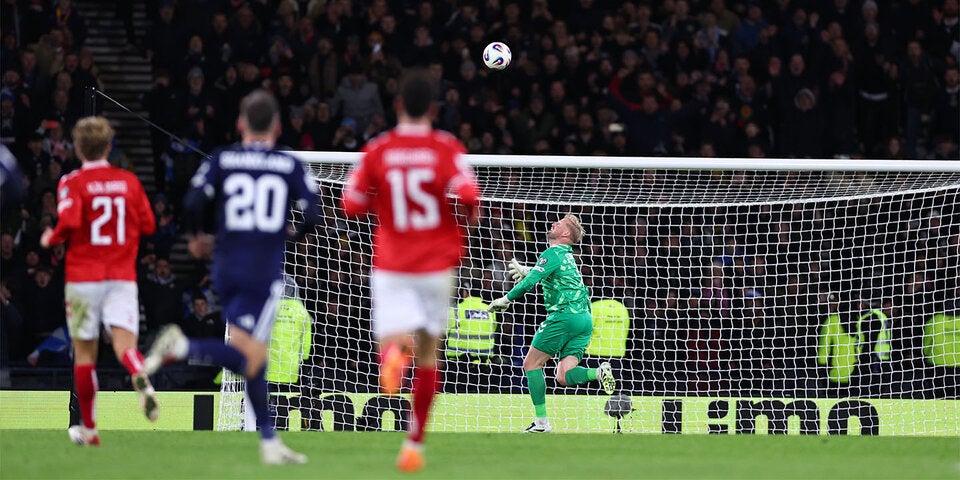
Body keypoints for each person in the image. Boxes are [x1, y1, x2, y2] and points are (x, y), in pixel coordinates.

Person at [144, 90, 320, 465]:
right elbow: (313, 215)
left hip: (225, 267)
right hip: (262, 269)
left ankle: (269, 441)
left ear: (241, 124)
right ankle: (182, 349)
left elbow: (192, 201)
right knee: (250, 354)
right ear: (276, 126)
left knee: (253, 355)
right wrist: (289, 235)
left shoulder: (223, 158)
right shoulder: (287, 163)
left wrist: (194, 239)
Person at [340, 69, 480, 473]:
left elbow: (350, 204)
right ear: (434, 108)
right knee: (430, 354)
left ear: (397, 104)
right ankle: (414, 444)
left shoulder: (378, 149)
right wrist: (468, 215)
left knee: (391, 340)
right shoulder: (446, 147)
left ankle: (391, 356)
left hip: (391, 263)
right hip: (436, 264)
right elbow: (470, 195)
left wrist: (382, 206)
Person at [38, 116, 159, 446]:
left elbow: (70, 220)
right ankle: (138, 372)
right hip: (121, 276)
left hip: (83, 278)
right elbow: (149, 224)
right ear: (109, 146)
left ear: (77, 148)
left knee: (85, 354)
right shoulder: (129, 181)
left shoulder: (71, 182)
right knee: (125, 346)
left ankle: (89, 428)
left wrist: (51, 237)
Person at [488, 214, 616, 433]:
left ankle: (541, 424)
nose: (552, 224)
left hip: (564, 317)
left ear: (566, 233)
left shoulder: (553, 252)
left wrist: (506, 299)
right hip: (583, 319)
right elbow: (553, 275)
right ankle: (598, 373)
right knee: (564, 375)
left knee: (531, 365)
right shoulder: (566, 257)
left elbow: (530, 283)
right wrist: (532, 269)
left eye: (558, 224)